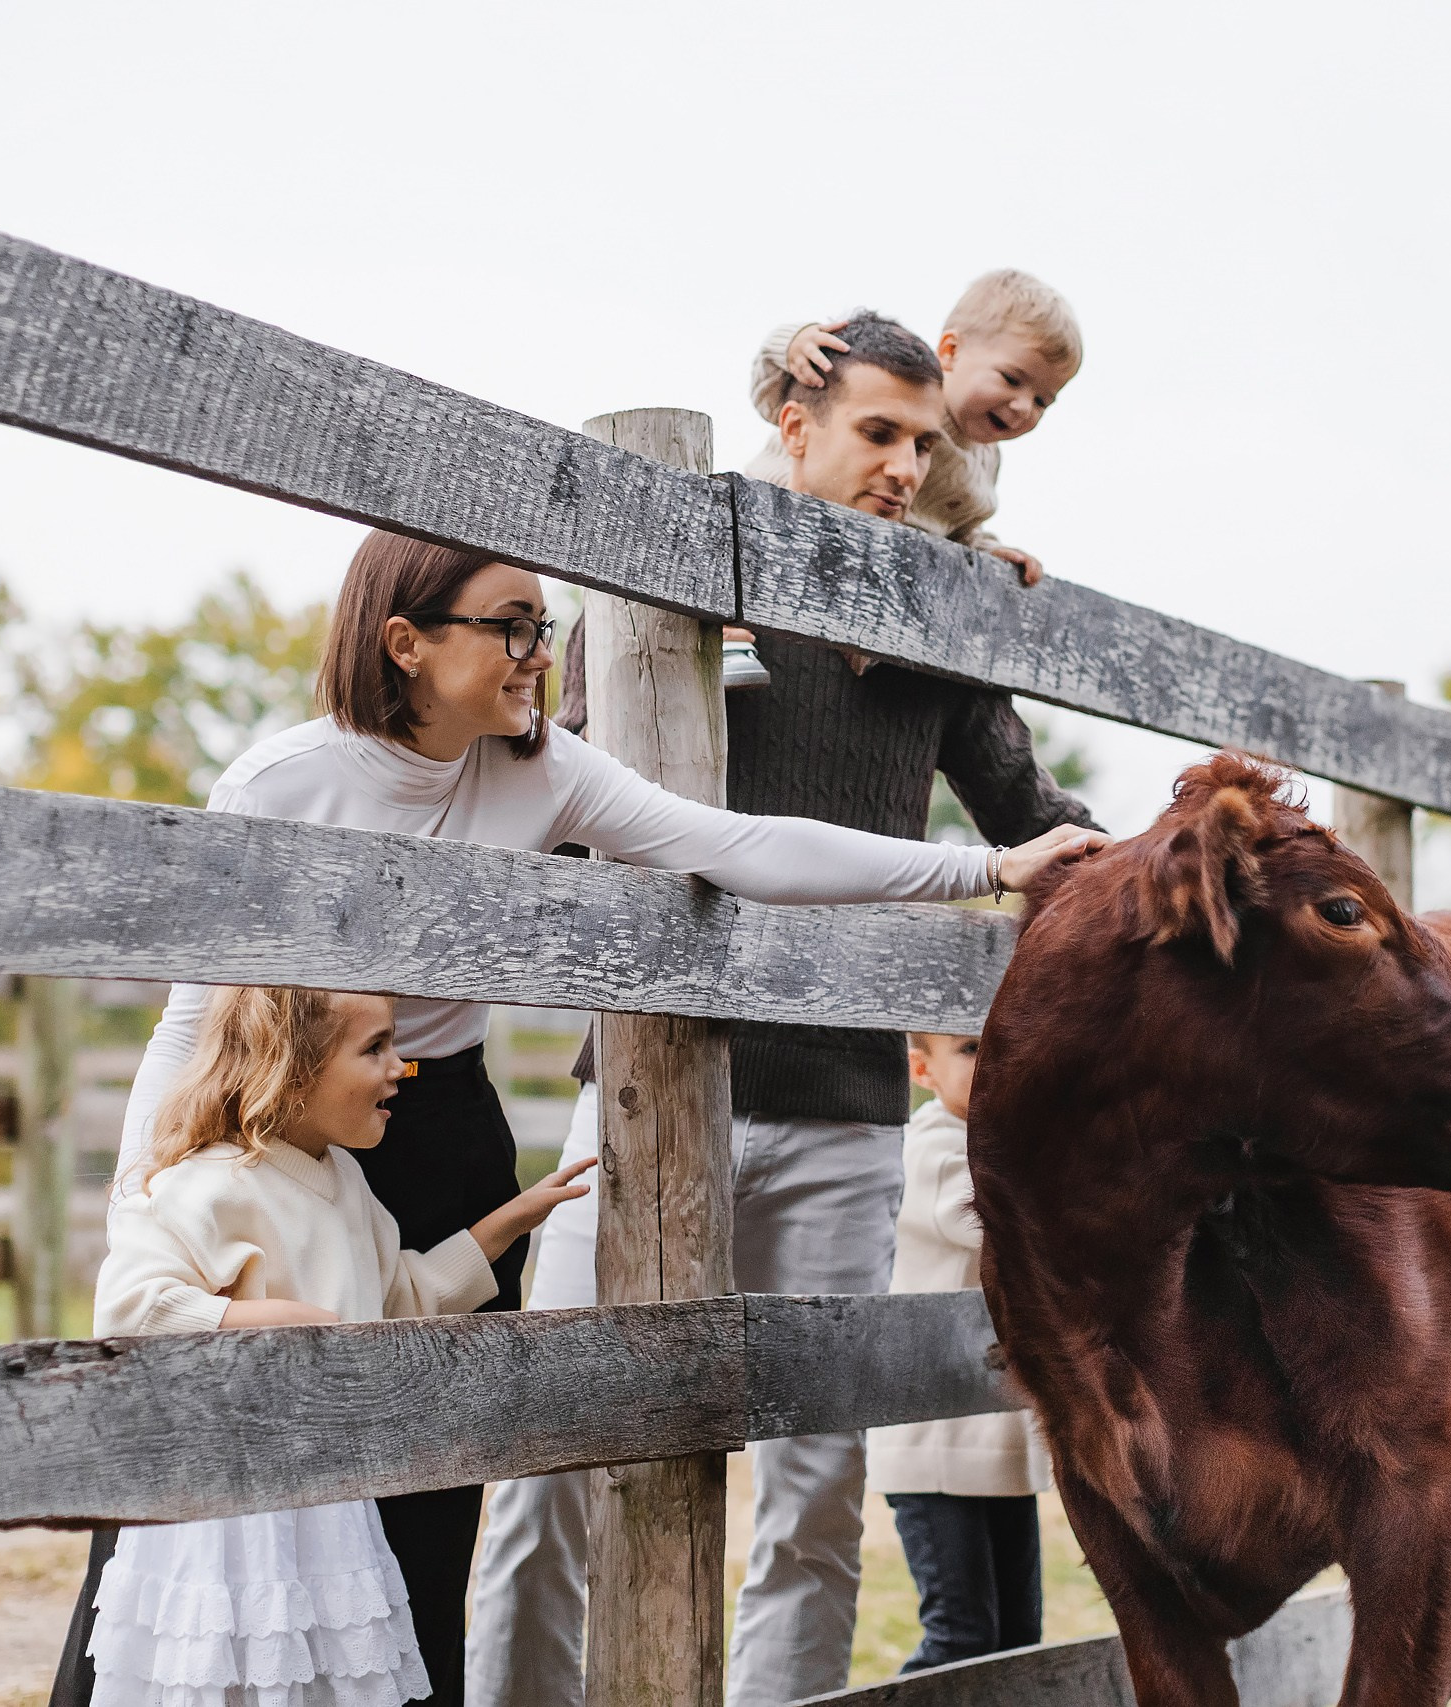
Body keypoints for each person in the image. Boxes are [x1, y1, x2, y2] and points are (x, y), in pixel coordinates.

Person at [48, 527, 1105, 1707]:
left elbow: (739, 846)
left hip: (441, 1125)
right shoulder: (282, 784)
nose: (538, 656)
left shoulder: (540, 768)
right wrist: (144, 1207)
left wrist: (988, 867)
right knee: (194, 1444)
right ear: (405, 643)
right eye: (510, 627)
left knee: (437, 1474)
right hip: (269, 1139)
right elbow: (193, 1026)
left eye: (539, 628)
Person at [472, 311, 1100, 1707]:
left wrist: (1173, 856)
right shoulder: (675, 565)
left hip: (844, 1110)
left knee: (812, 1487)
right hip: (637, 1080)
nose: (899, 464)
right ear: (797, 422)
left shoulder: (933, 615)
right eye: (876, 432)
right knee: (553, 1459)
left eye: (921, 444)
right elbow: (562, 791)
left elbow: (1029, 812)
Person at [82, 984, 597, 1707]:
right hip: (231, 1520)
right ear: (294, 1071)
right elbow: (133, 1306)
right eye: (376, 1048)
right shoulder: (211, 1183)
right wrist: (276, 1320)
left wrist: (506, 1224)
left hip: (329, 1514)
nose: (402, 1068)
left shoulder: (346, 1185)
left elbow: (402, 1298)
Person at [870, 1031, 1050, 1673]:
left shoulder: (1008, 1148)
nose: (995, 1060)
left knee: (1019, 1639)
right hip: (935, 1446)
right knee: (961, 1637)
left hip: (996, 1438)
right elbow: (980, 1221)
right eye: (972, 1048)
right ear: (921, 1068)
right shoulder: (933, 1146)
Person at [744, 268, 1082, 582]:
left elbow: (958, 529)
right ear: (950, 351)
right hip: (777, 517)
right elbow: (779, 390)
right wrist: (794, 344)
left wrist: (986, 553)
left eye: (1042, 401)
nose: (1024, 406)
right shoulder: (897, 387)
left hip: (874, 557)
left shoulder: (985, 462)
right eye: (1011, 378)